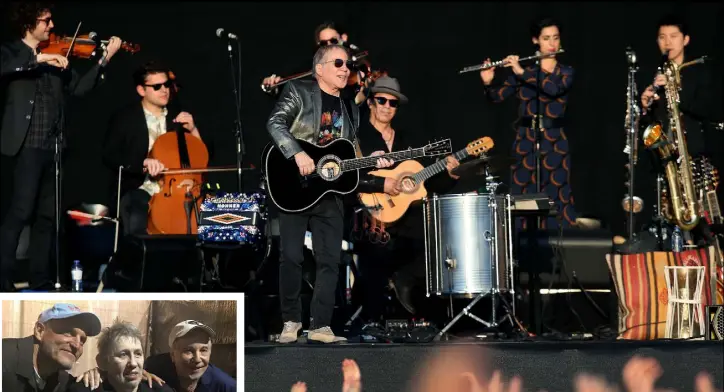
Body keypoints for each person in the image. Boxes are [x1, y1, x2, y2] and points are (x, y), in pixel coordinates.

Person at [267, 44, 393, 344]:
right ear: (319, 68)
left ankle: (321, 326)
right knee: (292, 257)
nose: (345, 68)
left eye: (347, 64)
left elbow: (346, 153)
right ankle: (291, 321)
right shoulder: (299, 90)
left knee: (330, 259)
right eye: (338, 63)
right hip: (295, 186)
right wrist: (297, 154)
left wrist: (372, 159)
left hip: (330, 190)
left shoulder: (351, 108)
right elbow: (275, 123)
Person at [0, 2, 122, 291]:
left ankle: (40, 278)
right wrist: (39, 59)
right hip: (26, 145)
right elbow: (7, 68)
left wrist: (103, 61)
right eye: (45, 21)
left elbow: (79, 89)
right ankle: (3, 277)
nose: (51, 26)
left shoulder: (59, 55)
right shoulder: (11, 52)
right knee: (20, 212)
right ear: (28, 24)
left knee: (48, 217)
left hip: (54, 146)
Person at [352, 75, 460, 322]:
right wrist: (381, 184)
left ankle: (426, 316)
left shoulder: (408, 141)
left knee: (431, 237)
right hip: (371, 216)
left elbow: (425, 182)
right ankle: (372, 318)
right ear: (370, 102)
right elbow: (350, 180)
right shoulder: (357, 139)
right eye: (382, 100)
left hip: (408, 221)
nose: (387, 107)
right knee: (376, 244)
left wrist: (450, 174)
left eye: (393, 103)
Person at [480, 17, 576, 230]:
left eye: (555, 38)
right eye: (546, 38)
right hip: (526, 140)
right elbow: (497, 97)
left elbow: (553, 89)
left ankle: (560, 255)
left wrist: (520, 72)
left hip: (555, 142)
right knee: (522, 198)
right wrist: (488, 83)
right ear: (536, 41)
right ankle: (522, 253)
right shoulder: (524, 72)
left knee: (557, 195)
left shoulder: (566, 72)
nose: (552, 44)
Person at [637, 14, 720, 247]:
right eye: (662, 37)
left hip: (695, 157)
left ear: (686, 40)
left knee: (704, 224)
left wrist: (675, 92)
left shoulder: (699, 71)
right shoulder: (653, 76)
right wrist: (646, 104)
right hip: (666, 161)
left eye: (673, 37)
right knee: (668, 222)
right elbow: (647, 126)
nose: (668, 42)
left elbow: (706, 108)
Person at [102, 61, 202, 236]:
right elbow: (110, 155)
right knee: (136, 212)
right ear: (142, 90)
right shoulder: (125, 118)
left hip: (179, 190)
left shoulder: (177, 116)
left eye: (167, 84)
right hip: (140, 188)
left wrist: (193, 130)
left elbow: (201, 157)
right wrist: (142, 162)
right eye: (157, 86)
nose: (165, 90)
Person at [261, 21, 369, 105]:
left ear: (344, 38)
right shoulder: (313, 67)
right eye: (324, 43)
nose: (329, 46)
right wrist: (275, 87)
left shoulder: (357, 63)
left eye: (334, 41)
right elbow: (294, 86)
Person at [2, 303, 102, 392]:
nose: (76, 345)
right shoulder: (4, 356)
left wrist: (96, 377)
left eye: (82, 341)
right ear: (40, 331)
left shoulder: (62, 380)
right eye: (68, 333)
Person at [67, 321, 172, 392]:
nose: (134, 363)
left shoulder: (161, 390)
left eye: (138, 354)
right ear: (102, 362)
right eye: (123, 355)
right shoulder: (81, 389)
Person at [143, 320, 236, 392]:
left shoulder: (226, 386)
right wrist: (139, 374)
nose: (197, 359)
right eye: (188, 351)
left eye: (203, 350)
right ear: (172, 355)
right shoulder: (154, 367)